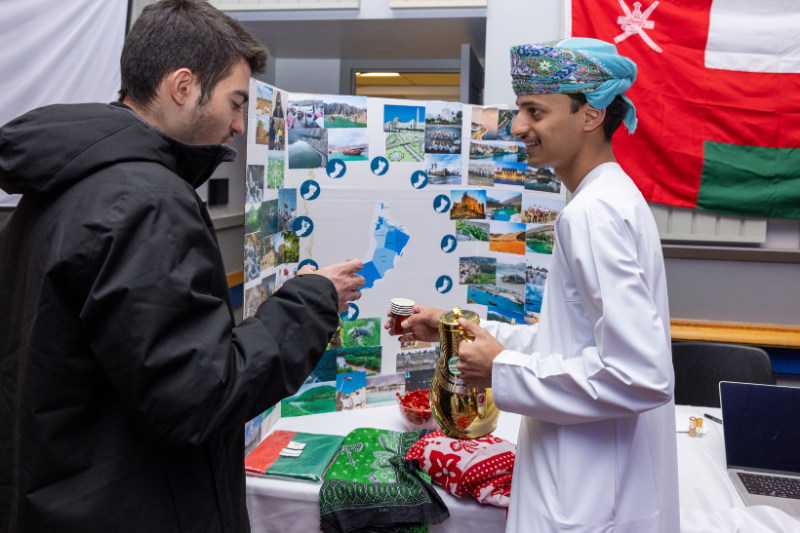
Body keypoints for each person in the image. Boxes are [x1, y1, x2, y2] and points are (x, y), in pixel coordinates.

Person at [0, 1, 364, 532]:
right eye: (236, 102)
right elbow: (199, 396)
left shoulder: (57, 186)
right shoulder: (148, 202)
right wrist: (311, 300)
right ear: (184, 86)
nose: (240, 126)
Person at [386, 38, 678, 533]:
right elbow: (575, 344)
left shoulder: (593, 215)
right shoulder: (607, 198)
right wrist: (456, 328)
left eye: (534, 111)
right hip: (592, 476)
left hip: (589, 494)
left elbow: (639, 374)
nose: (518, 127)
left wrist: (502, 370)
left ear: (590, 114)